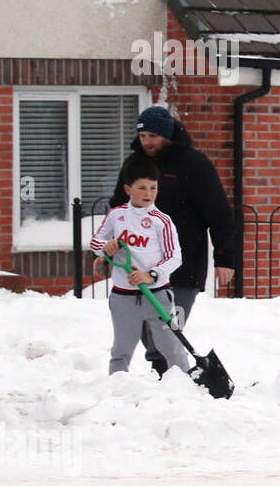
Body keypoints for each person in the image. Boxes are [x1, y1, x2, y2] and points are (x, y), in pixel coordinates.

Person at [100, 105, 240, 375]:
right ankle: (165, 377)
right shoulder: (135, 165)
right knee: (144, 330)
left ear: (167, 135)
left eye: (153, 136)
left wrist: (225, 259)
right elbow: (118, 210)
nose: (147, 142)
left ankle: (170, 378)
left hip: (182, 265)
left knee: (167, 329)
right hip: (139, 266)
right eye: (143, 137)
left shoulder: (194, 165)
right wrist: (109, 252)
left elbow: (220, 214)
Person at [91, 154, 187, 375]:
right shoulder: (117, 215)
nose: (148, 193)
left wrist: (150, 275)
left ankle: (187, 383)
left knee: (170, 346)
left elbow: (174, 257)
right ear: (128, 189)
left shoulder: (161, 221)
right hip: (123, 296)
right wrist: (106, 247)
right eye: (142, 188)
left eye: (153, 188)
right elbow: (96, 241)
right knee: (121, 349)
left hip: (156, 294)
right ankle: (116, 387)